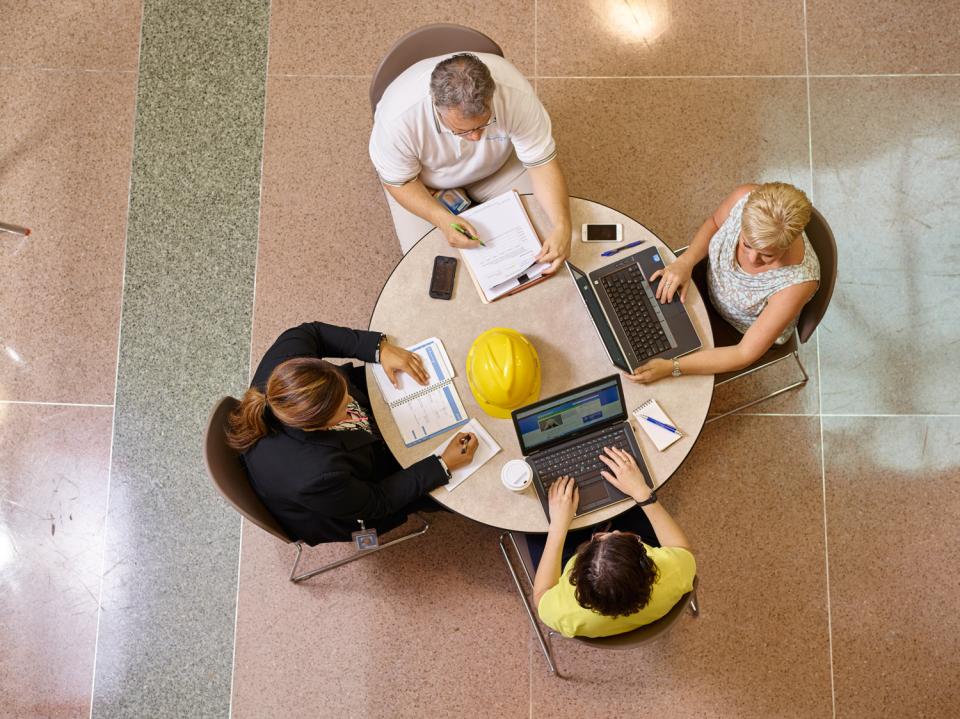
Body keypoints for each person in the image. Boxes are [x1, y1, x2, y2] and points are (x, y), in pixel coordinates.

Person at [227, 322, 479, 545]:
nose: (350, 400)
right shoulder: (318, 477)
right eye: (345, 407)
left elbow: (310, 332)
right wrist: (443, 464)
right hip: (350, 501)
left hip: (340, 463)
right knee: (464, 484)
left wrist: (381, 349)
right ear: (318, 426)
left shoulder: (287, 367)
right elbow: (378, 501)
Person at [369, 52, 571, 267]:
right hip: (421, 182)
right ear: (436, 106)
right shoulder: (397, 120)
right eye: (460, 130)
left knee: (545, 231)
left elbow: (541, 164)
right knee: (426, 261)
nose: (475, 138)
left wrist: (562, 226)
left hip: (498, 169)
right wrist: (441, 219)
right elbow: (400, 181)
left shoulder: (515, 94)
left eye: (484, 124)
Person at [629, 182, 820, 383]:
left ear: (789, 243)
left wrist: (672, 367)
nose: (752, 258)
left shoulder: (796, 284)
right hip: (705, 282)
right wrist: (686, 261)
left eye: (767, 255)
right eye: (746, 244)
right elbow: (714, 223)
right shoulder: (745, 197)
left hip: (737, 334)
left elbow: (743, 354)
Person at [532, 447, 695, 638]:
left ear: (576, 576)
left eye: (598, 539)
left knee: (534, 533)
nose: (613, 531)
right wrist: (642, 492)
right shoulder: (673, 572)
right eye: (625, 537)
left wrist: (558, 527)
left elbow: (541, 595)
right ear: (649, 566)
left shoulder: (564, 614)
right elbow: (681, 548)